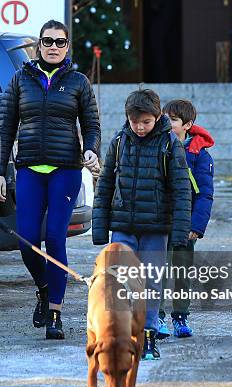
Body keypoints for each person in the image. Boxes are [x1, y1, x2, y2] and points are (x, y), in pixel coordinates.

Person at [0, 19, 101, 340]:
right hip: (28, 169)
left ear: (68, 46)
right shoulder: (20, 80)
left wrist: (91, 149)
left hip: (65, 171)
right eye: (48, 41)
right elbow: (4, 129)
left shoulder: (78, 82)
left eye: (60, 42)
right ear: (39, 45)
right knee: (27, 239)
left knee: (55, 238)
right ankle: (43, 288)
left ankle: (55, 311)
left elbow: (92, 124)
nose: (53, 47)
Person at [92, 89, 191, 360]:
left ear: (157, 117)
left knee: (150, 283)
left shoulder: (170, 145)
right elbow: (105, 184)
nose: (139, 127)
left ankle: (148, 336)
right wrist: (100, 227)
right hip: (123, 224)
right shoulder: (120, 141)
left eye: (146, 122)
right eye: (135, 121)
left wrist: (180, 231)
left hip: (156, 229)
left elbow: (181, 189)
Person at [156, 99, 214, 339]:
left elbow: (205, 194)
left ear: (188, 124)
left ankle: (180, 317)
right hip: (159, 221)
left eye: (173, 120)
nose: (167, 123)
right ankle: (156, 317)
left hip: (185, 224)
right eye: (165, 118)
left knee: (181, 272)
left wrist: (196, 226)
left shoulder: (199, 156)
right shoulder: (158, 146)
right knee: (156, 271)